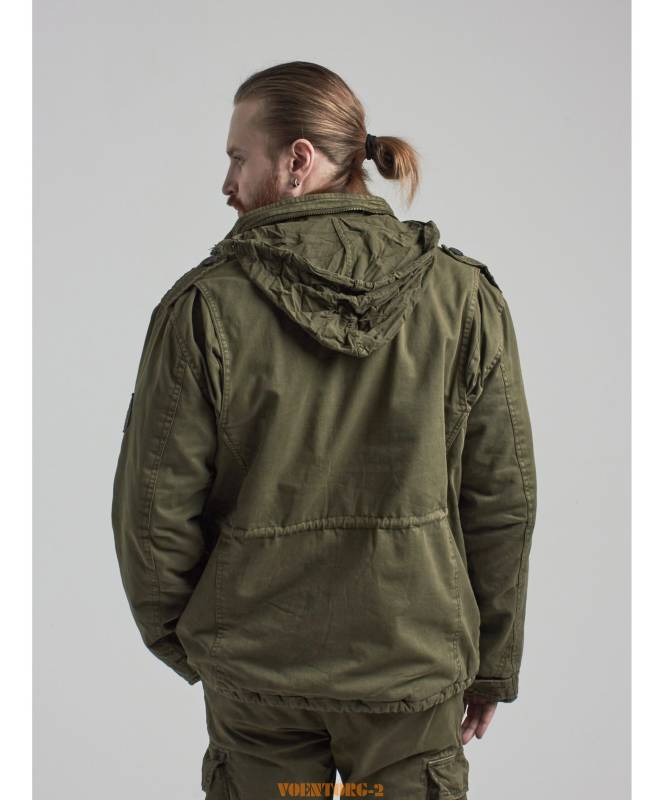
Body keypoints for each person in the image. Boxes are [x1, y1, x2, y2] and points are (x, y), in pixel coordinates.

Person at [111, 60, 537, 800]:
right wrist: (492, 661)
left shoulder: (205, 309)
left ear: (297, 161)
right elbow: (501, 498)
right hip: (412, 671)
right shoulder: (463, 298)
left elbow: (152, 512)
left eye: (238, 158)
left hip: (258, 679)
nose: (227, 184)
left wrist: (200, 640)